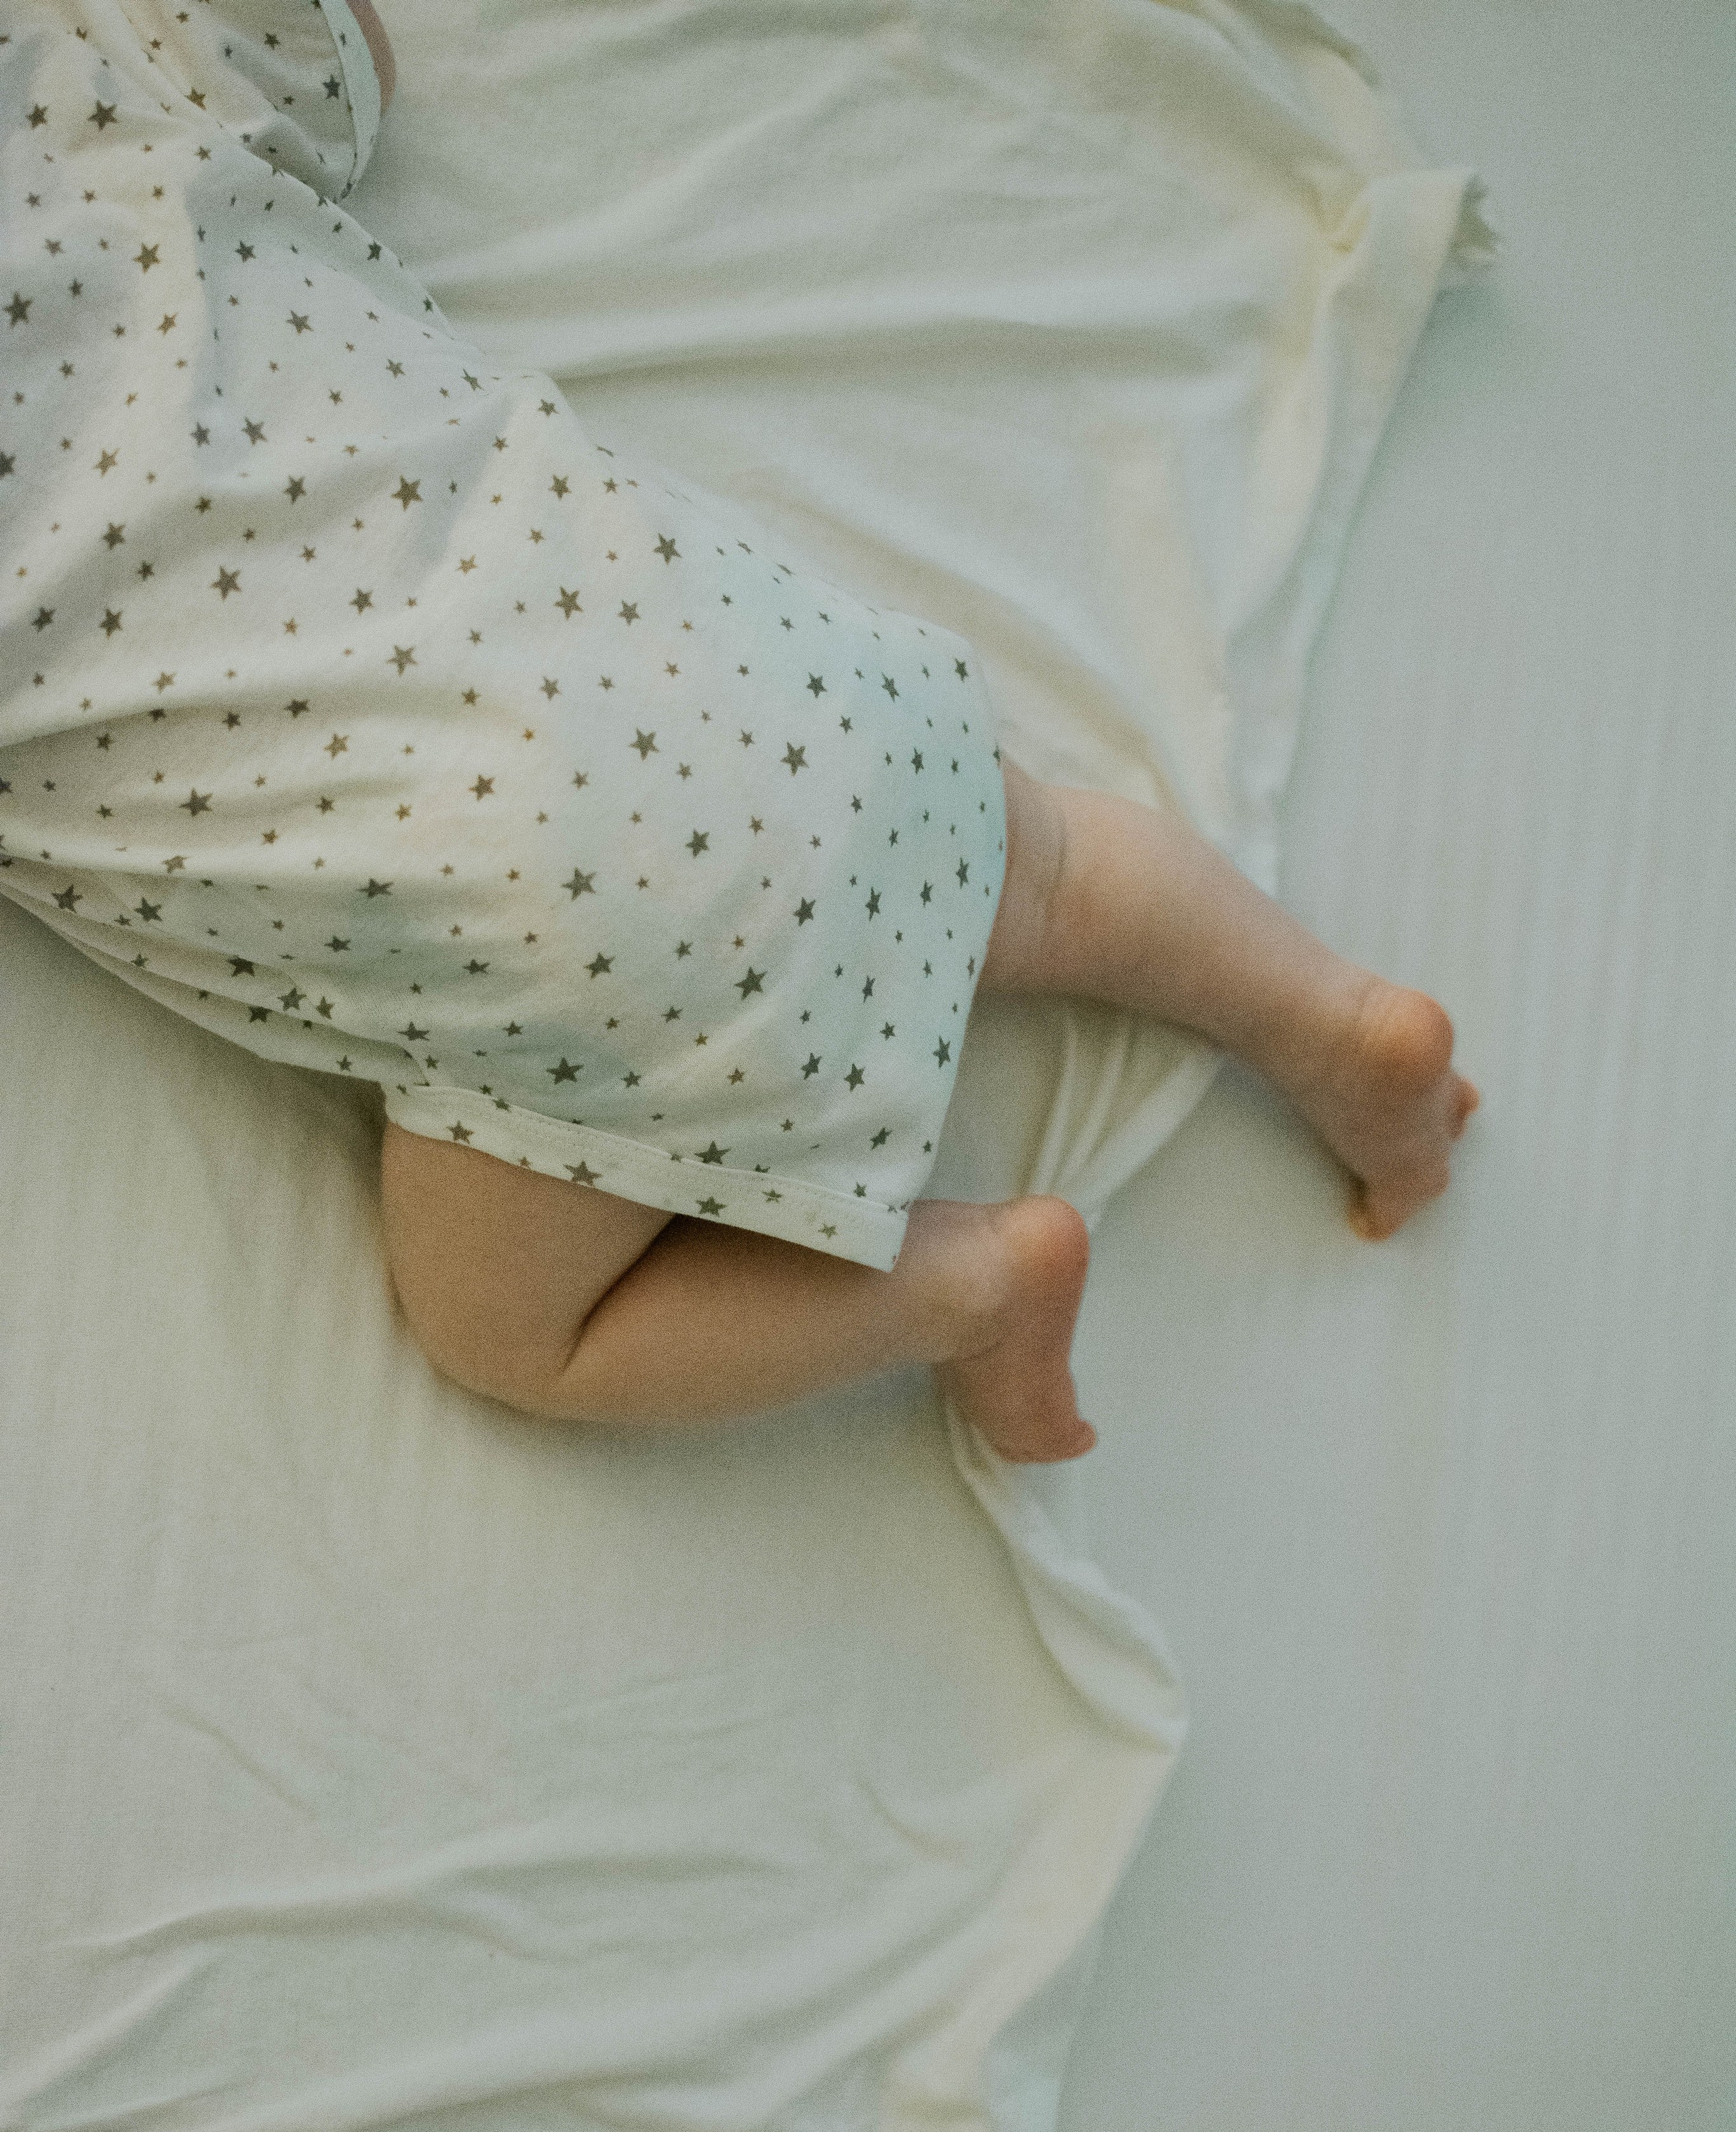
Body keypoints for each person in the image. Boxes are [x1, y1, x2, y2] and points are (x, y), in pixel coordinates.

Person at [0, 0, 1476, 1464]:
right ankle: (1338, 1022)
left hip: (556, 937)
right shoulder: (68, 94)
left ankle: (968, 1287)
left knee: (513, 1339)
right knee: (1059, 875)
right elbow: (340, 56)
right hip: (713, 657)